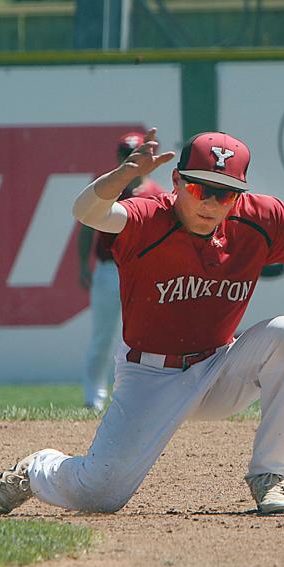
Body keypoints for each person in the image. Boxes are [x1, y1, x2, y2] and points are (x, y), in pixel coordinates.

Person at [0, 128, 284, 518]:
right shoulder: (148, 217)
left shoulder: (261, 219)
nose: (210, 203)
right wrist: (122, 176)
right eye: (199, 188)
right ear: (175, 181)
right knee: (99, 496)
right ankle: (36, 469)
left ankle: (270, 476)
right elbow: (88, 212)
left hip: (220, 367)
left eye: (225, 195)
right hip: (149, 375)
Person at [75, 131, 164, 412]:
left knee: (147, 339)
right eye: (127, 155)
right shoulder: (107, 188)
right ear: (118, 157)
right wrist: (82, 265)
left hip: (144, 273)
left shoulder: (158, 193)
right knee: (102, 337)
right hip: (108, 269)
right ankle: (94, 399)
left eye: (138, 154)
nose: (132, 160)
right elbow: (86, 229)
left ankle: (144, 398)